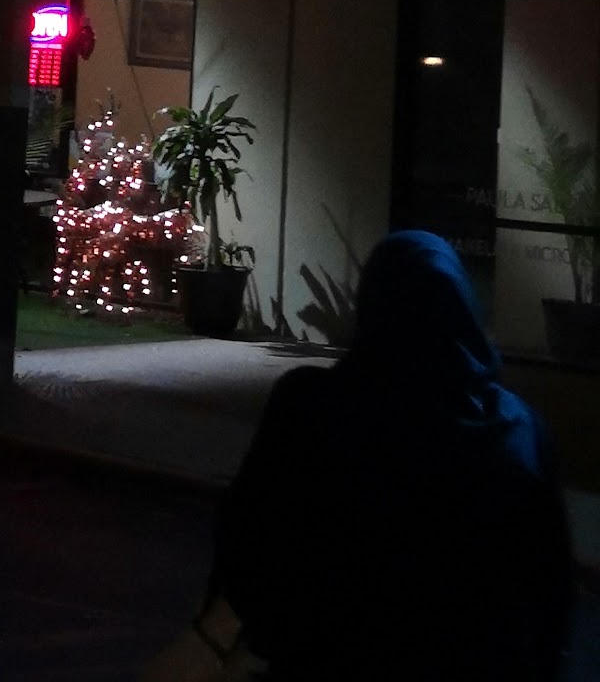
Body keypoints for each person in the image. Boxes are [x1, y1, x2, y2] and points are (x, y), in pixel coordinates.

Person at [143, 230, 573, 681]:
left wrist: (224, 635)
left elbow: (254, 536)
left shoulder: (315, 410)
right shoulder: (517, 429)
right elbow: (549, 579)